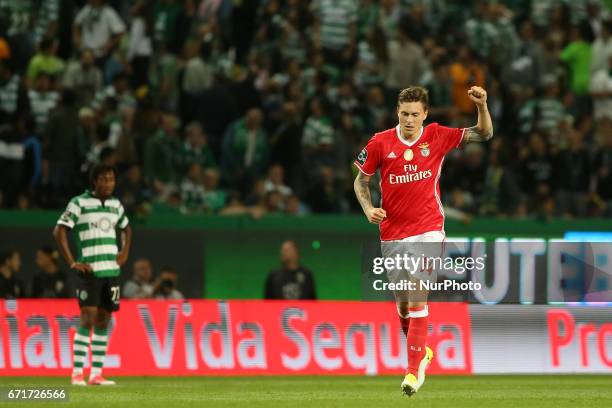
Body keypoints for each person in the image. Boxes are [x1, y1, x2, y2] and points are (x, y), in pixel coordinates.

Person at [353, 86, 492, 396]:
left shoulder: (437, 135)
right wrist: (368, 208)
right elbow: (360, 180)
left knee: (418, 296)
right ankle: (423, 352)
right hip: (392, 234)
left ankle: (413, 371)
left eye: (416, 114)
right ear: (397, 113)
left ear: (425, 115)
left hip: (429, 228)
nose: (410, 120)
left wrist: (481, 106)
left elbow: (483, 134)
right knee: (403, 306)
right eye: (404, 114)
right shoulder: (380, 143)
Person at [53, 164, 132, 386]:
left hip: (111, 271)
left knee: (103, 321)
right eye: (104, 179)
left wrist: (124, 251)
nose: (109, 184)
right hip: (90, 271)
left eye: (112, 179)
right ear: (94, 181)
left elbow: (126, 228)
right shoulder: (79, 203)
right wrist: (72, 262)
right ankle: (77, 374)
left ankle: (96, 374)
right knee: (87, 319)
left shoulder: (116, 205)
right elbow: (59, 229)